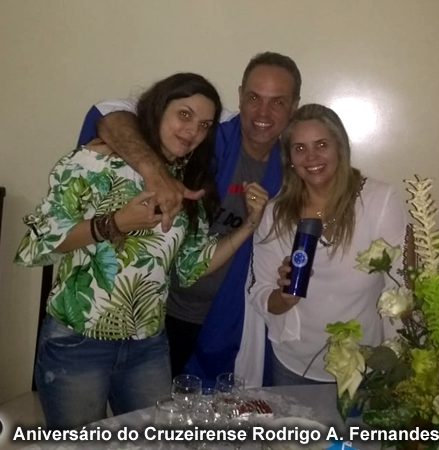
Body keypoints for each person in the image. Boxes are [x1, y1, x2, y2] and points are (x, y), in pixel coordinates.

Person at [14, 72, 268, 429]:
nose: (193, 131)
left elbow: (192, 266)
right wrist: (116, 223)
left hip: (148, 344)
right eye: (184, 114)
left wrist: (250, 225)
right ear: (159, 109)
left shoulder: (187, 182)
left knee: (156, 440)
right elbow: (38, 245)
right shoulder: (95, 161)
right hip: (78, 341)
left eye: (204, 124)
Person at [78, 52, 302, 381]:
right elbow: (109, 113)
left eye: (278, 102)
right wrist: (154, 171)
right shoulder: (206, 135)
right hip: (156, 311)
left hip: (229, 321)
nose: (263, 113)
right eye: (254, 98)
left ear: (294, 106)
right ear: (240, 95)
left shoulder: (293, 169)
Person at [235, 103, 410, 387]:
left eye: (321, 145)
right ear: (290, 159)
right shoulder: (276, 213)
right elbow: (260, 292)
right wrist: (284, 298)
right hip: (295, 365)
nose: (311, 157)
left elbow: (400, 288)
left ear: (340, 147)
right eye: (300, 148)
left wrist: (396, 361)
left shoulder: (379, 201)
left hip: (366, 366)